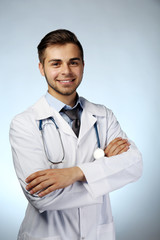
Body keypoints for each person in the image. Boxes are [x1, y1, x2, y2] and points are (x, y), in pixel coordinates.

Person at [9, 29, 142, 240]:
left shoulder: (103, 116)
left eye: (73, 62)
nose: (66, 71)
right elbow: (41, 196)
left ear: (82, 65)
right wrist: (105, 172)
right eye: (55, 63)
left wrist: (75, 173)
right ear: (41, 68)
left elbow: (134, 165)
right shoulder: (24, 123)